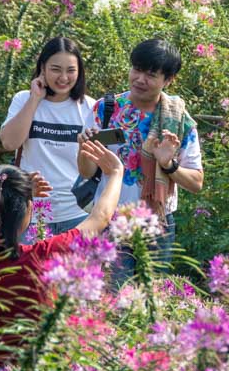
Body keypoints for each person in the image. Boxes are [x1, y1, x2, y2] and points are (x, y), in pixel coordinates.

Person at [0, 140, 122, 362]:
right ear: (29, 210)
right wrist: (116, 173)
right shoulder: (46, 254)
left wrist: (1, 188)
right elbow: (100, 217)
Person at [77, 38, 203, 285]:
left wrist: (169, 165)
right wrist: (84, 149)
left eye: (151, 74)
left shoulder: (179, 120)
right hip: (110, 220)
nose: (140, 79)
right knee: (112, 298)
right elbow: (85, 171)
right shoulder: (106, 109)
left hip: (157, 225)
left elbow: (196, 182)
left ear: (169, 80)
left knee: (150, 300)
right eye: (136, 69)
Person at [0, 37, 96, 241]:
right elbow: (9, 142)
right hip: (30, 214)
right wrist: (35, 98)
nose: (63, 77)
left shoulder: (90, 107)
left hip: (76, 214)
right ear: (42, 68)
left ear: (79, 72)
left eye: (71, 70)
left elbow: (93, 168)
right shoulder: (24, 99)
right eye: (55, 69)